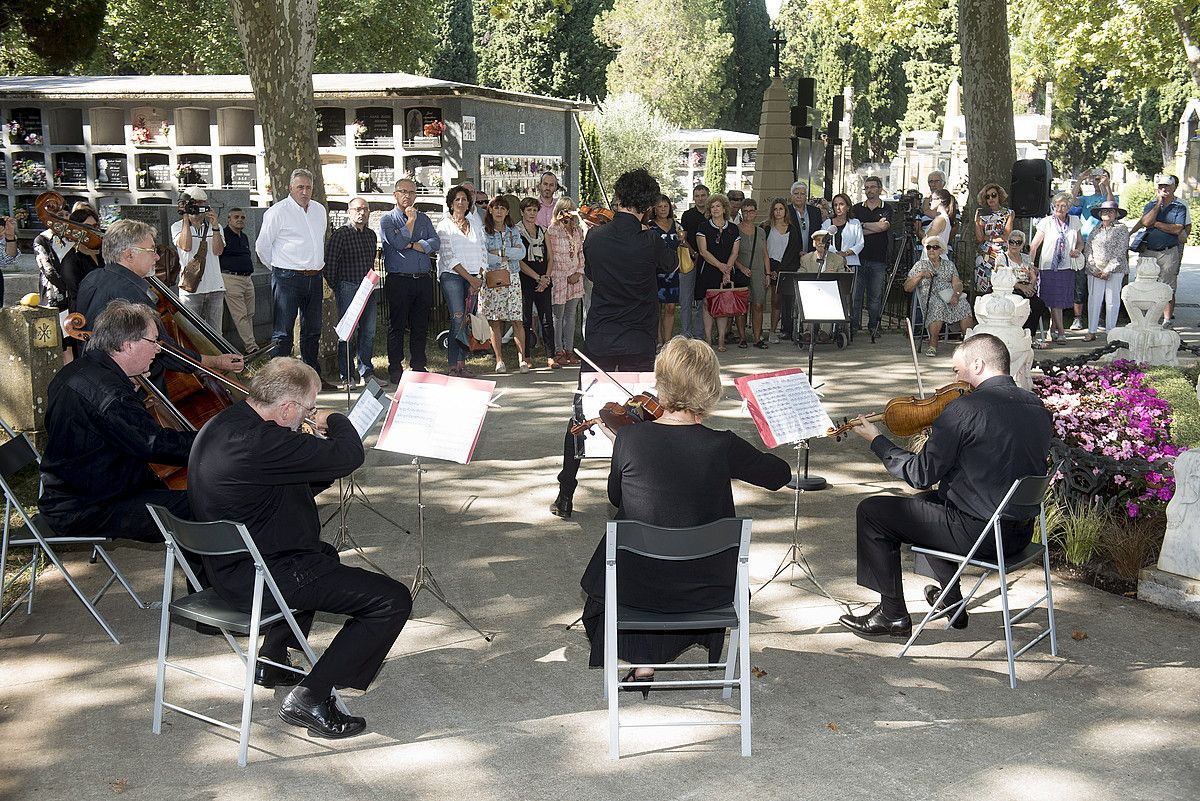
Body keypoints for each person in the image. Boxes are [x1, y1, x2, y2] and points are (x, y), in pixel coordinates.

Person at [188, 357, 412, 739]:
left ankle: (273, 658)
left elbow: (289, 483)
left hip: (231, 565)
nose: (309, 418)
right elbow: (348, 456)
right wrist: (335, 420)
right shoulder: (264, 442)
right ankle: (310, 695)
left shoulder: (228, 423)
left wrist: (314, 459)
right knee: (391, 599)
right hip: (260, 577)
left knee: (324, 554)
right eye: (308, 409)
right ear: (288, 407)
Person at [579, 337, 790, 674]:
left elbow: (617, 498)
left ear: (661, 383)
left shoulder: (630, 439)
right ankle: (651, 655)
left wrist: (625, 451)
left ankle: (644, 656)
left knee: (632, 534)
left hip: (636, 590)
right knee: (678, 547)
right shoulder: (723, 445)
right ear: (711, 389)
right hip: (707, 591)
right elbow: (780, 474)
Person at [839, 334, 1052, 637]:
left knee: (873, 511)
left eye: (956, 370)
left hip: (979, 536)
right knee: (929, 502)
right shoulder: (1036, 407)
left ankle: (892, 615)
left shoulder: (965, 410)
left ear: (977, 364)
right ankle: (952, 603)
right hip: (1019, 535)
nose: (955, 378)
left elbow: (919, 474)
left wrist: (878, 441)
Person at [552, 168, 668, 519]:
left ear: (618, 198)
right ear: (648, 205)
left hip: (600, 337)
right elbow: (668, 267)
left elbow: (592, 274)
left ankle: (566, 493)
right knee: (638, 415)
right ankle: (630, 493)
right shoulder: (651, 240)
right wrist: (649, 230)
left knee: (583, 413)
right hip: (638, 339)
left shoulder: (596, 237)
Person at [39, 300, 194, 542]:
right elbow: (155, 444)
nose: (158, 349)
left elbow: (107, 429)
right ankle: (214, 580)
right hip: (90, 506)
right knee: (204, 506)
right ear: (127, 345)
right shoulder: (111, 394)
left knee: (192, 496)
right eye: (153, 341)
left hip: (75, 491)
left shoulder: (75, 371)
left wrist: (127, 386)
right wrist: (211, 442)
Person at [76, 219, 244, 386]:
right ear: (129, 255)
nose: (157, 257)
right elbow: (165, 350)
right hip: (129, 385)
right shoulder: (131, 294)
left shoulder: (91, 278)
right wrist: (216, 362)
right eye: (152, 250)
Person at [256, 168, 328, 378]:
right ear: (290, 188)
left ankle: (311, 378)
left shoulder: (319, 210)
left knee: (313, 330)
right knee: (283, 332)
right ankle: (279, 379)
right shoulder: (278, 211)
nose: (304, 192)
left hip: (314, 277)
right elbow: (262, 246)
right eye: (300, 187)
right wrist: (278, 268)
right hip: (287, 278)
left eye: (308, 187)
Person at [381, 178, 440, 382]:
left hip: (422, 280)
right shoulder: (387, 219)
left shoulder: (424, 218)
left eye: (412, 192)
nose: (408, 195)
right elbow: (397, 242)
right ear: (395, 194)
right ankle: (395, 369)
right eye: (403, 191)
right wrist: (410, 222)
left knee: (420, 325)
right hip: (399, 280)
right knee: (397, 326)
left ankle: (418, 365)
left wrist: (415, 245)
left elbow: (436, 242)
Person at [325, 197, 381, 388]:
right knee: (348, 332)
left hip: (368, 288)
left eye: (365, 209)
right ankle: (347, 375)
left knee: (369, 332)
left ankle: (367, 372)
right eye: (357, 209)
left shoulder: (371, 235)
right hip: (347, 287)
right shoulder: (341, 234)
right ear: (349, 211)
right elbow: (330, 264)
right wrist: (337, 286)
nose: (362, 213)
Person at [435, 185, 486, 378]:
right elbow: (449, 257)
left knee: (466, 319)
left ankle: (462, 364)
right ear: (450, 203)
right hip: (453, 277)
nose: (461, 202)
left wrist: (479, 277)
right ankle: (452, 364)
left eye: (464, 199)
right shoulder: (444, 225)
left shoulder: (474, 224)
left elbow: (482, 251)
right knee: (457, 317)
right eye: (457, 199)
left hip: (474, 277)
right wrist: (470, 279)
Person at [1132, 174, 1191, 327]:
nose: (1163, 189)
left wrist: (1156, 224)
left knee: (1168, 287)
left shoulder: (1180, 206)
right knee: (1145, 285)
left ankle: (1167, 320)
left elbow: (1177, 228)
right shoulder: (1150, 204)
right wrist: (1158, 203)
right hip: (1148, 251)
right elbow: (1145, 222)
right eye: (1160, 186)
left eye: (1167, 186)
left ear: (1173, 188)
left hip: (1168, 252)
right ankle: (1147, 318)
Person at [904, 234, 975, 356]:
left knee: (964, 304)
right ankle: (933, 344)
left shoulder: (949, 265)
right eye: (929, 247)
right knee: (937, 305)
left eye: (935, 247)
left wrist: (956, 295)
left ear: (941, 250)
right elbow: (907, 287)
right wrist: (920, 275)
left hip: (948, 295)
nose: (931, 250)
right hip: (930, 296)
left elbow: (957, 283)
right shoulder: (920, 265)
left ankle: (968, 343)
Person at [481, 196, 529, 373]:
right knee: (496, 320)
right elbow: (485, 256)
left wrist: (501, 252)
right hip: (493, 278)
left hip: (513, 277)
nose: (499, 211)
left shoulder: (513, 230)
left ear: (508, 211)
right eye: (496, 208)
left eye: (503, 208)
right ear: (491, 210)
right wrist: (507, 254)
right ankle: (499, 360)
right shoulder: (483, 231)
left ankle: (522, 359)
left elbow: (521, 253)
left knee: (517, 319)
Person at [1028, 192, 1083, 344]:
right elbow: (1034, 246)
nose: (1059, 208)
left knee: (1059, 300)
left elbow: (1080, 242)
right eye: (1057, 205)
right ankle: (1061, 332)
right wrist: (1031, 265)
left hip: (1066, 267)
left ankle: (1052, 330)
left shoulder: (1074, 221)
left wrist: (1077, 250)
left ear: (1068, 208)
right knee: (1054, 301)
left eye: (1063, 205)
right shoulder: (1046, 222)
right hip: (1048, 267)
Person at [172, 187, 226, 331]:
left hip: (215, 287)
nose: (197, 208)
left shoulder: (217, 227)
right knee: (192, 333)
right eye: (193, 204)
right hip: (191, 289)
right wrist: (185, 217)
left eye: (201, 204)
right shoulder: (177, 226)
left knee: (216, 333)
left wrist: (214, 226)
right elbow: (186, 246)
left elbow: (218, 250)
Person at [695, 193, 741, 351]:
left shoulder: (733, 228)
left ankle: (721, 339)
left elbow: (735, 252)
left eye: (718, 206)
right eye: (712, 206)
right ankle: (708, 339)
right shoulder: (703, 227)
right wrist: (720, 267)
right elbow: (703, 251)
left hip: (727, 271)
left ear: (724, 208)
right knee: (708, 304)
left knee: (723, 305)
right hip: (708, 270)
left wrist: (727, 269)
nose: (715, 209)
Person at [546, 197, 585, 368]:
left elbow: (581, 253)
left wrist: (578, 272)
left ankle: (570, 350)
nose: (567, 214)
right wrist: (568, 273)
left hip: (576, 276)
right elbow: (554, 256)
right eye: (564, 210)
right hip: (559, 276)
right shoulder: (552, 230)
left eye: (570, 210)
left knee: (571, 315)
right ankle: (558, 350)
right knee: (558, 315)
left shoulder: (577, 230)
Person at [851, 176, 892, 338]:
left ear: (880, 189)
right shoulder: (856, 208)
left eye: (872, 187)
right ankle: (853, 327)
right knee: (856, 296)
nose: (869, 190)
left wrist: (862, 226)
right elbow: (855, 231)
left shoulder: (887, 208)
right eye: (866, 187)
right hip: (858, 258)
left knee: (875, 298)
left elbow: (884, 227)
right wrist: (873, 226)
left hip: (878, 260)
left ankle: (874, 326)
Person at [1083, 200, 1130, 342]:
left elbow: (1121, 251)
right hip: (1095, 271)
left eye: (1110, 211)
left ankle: (1111, 332)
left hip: (1115, 270)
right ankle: (1091, 331)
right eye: (1104, 211)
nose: (1107, 213)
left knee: (1112, 300)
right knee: (1094, 300)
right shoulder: (1095, 228)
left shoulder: (1121, 229)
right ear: (1099, 214)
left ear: (1116, 214)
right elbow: (1088, 249)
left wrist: (1108, 270)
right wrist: (1094, 268)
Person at [516, 196, 555, 367]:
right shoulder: (516, 231)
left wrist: (545, 277)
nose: (532, 213)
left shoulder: (543, 230)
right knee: (525, 319)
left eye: (534, 210)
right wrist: (537, 277)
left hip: (543, 278)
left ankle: (550, 356)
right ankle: (526, 356)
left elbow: (550, 257)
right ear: (522, 212)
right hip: (526, 279)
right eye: (528, 210)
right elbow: (518, 260)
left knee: (546, 318)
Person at [994, 230, 1048, 347]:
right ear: (1007, 243)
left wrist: (1030, 286)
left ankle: (1030, 337)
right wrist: (1021, 287)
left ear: (1022, 244)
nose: (1014, 245)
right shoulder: (1002, 258)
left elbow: (1032, 277)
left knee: (1038, 304)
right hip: (1010, 289)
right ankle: (1020, 336)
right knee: (1022, 305)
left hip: (1026, 287)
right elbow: (1003, 276)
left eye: (1018, 242)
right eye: (1012, 242)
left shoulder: (1026, 258)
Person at [219, 207, 260, 353]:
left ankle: (251, 343)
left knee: (250, 313)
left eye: (242, 217)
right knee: (240, 315)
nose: (240, 220)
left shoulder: (244, 237)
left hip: (247, 279)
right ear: (229, 219)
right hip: (231, 278)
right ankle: (251, 347)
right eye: (236, 217)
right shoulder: (222, 235)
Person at [797, 229, 849, 343]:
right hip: (811, 292)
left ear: (828, 243)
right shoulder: (806, 259)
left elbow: (843, 278)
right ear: (813, 243)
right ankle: (808, 331)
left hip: (830, 293)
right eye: (817, 240)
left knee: (830, 301)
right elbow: (800, 274)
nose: (820, 243)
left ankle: (825, 331)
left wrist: (834, 275)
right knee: (806, 299)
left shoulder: (838, 259)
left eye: (823, 240)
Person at [649, 194, 683, 347]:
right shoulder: (649, 226)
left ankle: (668, 342)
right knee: (655, 309)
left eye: (665, 206)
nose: (663, 209)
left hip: (673, 271)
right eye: (660, 206)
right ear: (654, 209)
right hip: (655, 272)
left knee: (670, 308)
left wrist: (684, 240)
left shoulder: (676, 225)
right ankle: (658, 340)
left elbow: (682, 244)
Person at [765, 197, 800, 345]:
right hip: (768, 268)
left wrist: (779, 270)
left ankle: (774, 331)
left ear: (785, 211)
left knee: (778, 301)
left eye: (781, 209)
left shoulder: (792, 230)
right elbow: (763, 250)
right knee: (761, 300)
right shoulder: (766, 228)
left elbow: (794, 252)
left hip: (785, 269)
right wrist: (769, 270)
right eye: (775, 209)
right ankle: (759, 332)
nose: (778, 212)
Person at [734, 198, 768, 349]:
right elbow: (731, 255)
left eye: (751, 211)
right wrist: (741, 267)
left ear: (756, 212)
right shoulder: (735, 229)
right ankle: (742, 338)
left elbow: (765, 254)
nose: (748, 214)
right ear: (741, 212)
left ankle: (757, 338)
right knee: (742, 306)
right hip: (742, 271)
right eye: (745, 211)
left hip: (758, 271)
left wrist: (767, 274)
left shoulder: (760, 231)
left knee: (758, 304)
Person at [679, 184, 710, 339]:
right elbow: (682, 238)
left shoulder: (712, 214)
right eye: (697, 196)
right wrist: (694, 253)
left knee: (702, 301)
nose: (700, 199)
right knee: (686, 300)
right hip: (689, 261)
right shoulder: (687, 215)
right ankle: (685, 334)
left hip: (708, 263)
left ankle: (699, 335)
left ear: (708, 196)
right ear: (693, 198)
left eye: (703, 195)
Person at [972, 183, 1014, 295]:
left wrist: (989, 238)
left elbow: (1006, 237)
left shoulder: (1008, 213)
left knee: (1000, 285)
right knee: (983, 288)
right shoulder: (982, 214)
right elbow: (980, 238)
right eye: (987, 196)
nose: (991, 198)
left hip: (1000, 253)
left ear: (999, 196)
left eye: (993, 195)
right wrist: (976, 222)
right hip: (984, 254)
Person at [59, 208, 102, 312]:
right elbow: (76, 293)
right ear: (76, 229)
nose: (93, 231)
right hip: (82, 313)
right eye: (88, 227)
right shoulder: (71, 259)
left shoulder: (101, 253)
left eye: (95, 226)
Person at [34, 218, 72, 311]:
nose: (64, 218)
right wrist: (69, 288)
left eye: (67, 214)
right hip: (54, 292)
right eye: (60, 215)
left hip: (74, 291)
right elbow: (48, 270)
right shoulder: (41, 239)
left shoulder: (73, 237)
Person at [922, 189, 954, 260]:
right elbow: (926, 210)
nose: (930, 202)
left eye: (932, 199)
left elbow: (926, 240)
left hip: (935, 259)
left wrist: (919, 232)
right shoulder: (942, 217)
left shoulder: (940, 219)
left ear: (939, 201)